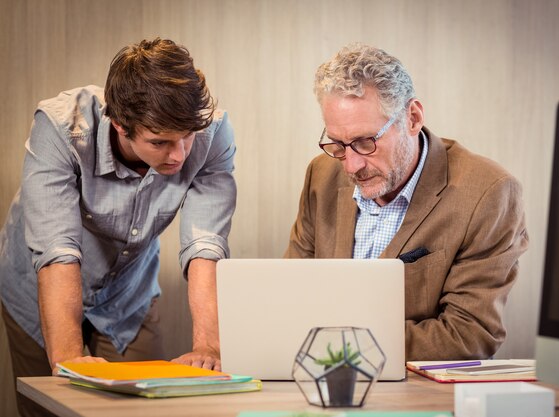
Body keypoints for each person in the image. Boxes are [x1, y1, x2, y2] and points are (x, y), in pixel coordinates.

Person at [0, 38, 233, 417]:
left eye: (186, 137)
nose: (179, 155)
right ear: (120, 125)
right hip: (37, 289)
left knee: (146, 409)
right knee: (51, 404)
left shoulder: (212, 130)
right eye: (160, 142)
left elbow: (205, 244)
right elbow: (56, 249)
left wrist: (209, 347)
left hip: (129, 293)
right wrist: (69, 360)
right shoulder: (60, 128)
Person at [285, 43, 529, 360]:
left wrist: (340, 345)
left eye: (365, 142)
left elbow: (469, 335)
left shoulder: (488, 193)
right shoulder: (321, 175)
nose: (350, 166)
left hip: (415, 395)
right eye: (338, 144)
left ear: (412, 118)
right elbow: (292, 293)